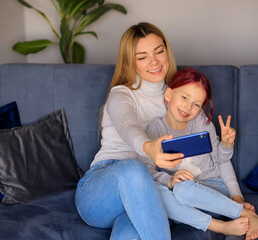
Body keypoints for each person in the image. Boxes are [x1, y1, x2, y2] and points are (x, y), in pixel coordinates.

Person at [75, 22, 183, 240]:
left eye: (159, 51)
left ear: (167, 52)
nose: (154, 62)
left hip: (148, 189)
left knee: (130, 233)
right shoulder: (121, 95)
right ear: (130, 62)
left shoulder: (177, 98)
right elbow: (128, 127)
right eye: (142, 56)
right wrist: (150, 148)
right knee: (134, 169)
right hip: (100, 192)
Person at [139, 67, 258, 240]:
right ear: (168, 95)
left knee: (183, 190)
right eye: (184, 97)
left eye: (196, 104)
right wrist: (170, 180)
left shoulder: (202, 123)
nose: (188, 107)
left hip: (212, 193)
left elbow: (222, 161)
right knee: (155, 194)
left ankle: (244, 213)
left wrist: (237, 196)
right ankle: (221, 226)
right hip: (182, 204)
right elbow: (146, 170)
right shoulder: (155, 129)